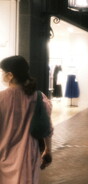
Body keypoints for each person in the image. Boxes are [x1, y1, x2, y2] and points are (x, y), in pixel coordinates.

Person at [0, 55, 53, 183]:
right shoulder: (39, 97)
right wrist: (48, 150)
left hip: (3, 157)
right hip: (28, 157)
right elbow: (47, 128)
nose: (1, 75)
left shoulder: (1, 98)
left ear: (10, 75)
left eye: (2, 72)